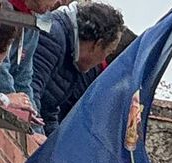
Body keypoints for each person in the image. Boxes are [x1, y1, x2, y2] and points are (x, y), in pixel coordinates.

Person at [30, 2, 125, 135]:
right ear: (97, 45)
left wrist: (54, 146)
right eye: (108, 52)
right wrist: (37, 135)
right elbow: (30, 92)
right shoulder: (54, 37)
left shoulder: (73, 58)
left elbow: (49, 109)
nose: (103, 61)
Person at [0, 0, 75, 108]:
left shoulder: (33, 24)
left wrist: (31, 112)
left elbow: (24, 78)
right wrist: (17, 109)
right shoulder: (0, 7)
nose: (60, 2)